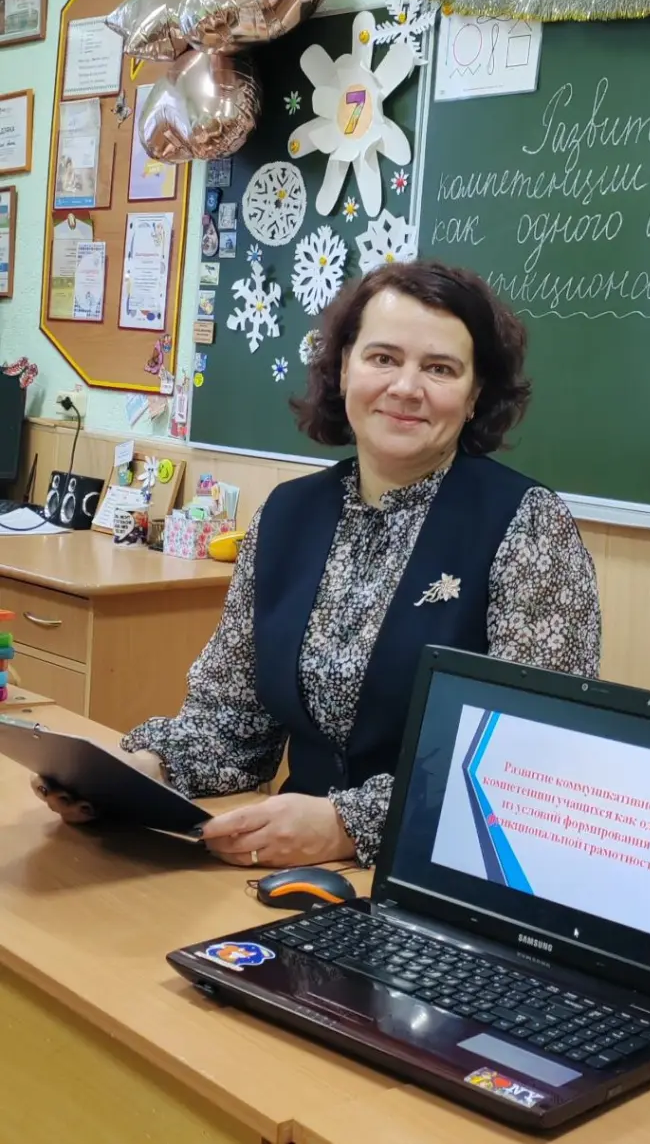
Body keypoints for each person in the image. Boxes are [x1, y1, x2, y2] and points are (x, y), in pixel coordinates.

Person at [34, 260, 602, 867]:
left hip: (445, 876)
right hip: (290, 868)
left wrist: (346, 826)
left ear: (475, 395)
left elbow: (529, 760)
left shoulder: (527, 525)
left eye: (440, 368)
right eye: (383, 358)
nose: (406, 387)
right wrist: (141, 775)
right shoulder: (287, 514)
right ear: (344, 368)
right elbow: (233, 724)